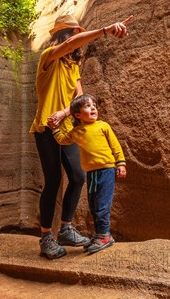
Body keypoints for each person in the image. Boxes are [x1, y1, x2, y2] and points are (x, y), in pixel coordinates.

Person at [30, 14, 133, 259]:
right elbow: (66, 47)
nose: (78, 40)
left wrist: (67, 112)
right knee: (54, 181)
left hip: (69, 129)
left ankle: (65, 229)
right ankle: (46, 238)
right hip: (46, 128)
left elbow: (79, 100)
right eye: (75, 34)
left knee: (77, 176)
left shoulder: (73, 68)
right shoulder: (48, 58)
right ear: (64, 36)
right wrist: (105, 29)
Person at [50, 94, 126, 253]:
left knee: (103, 204)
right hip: (92, 173)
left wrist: (121, 163)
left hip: (107, 169)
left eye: (94, 106)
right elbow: (63, 140)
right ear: (77, 115)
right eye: (87, 106)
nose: (93, 108)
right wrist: (55, 129)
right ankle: (99, 234)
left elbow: (115, 146)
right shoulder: (77, 131)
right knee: (94, 204)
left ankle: (104, 235)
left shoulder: (103, 126)